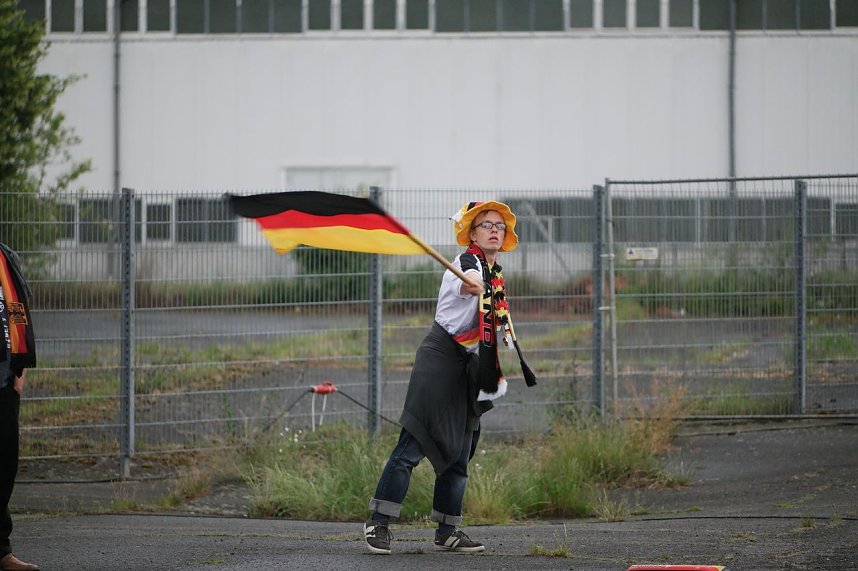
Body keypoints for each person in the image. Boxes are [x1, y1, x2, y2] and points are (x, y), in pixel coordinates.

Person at [363, 201, 521, 555]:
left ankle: (448, 529)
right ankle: (379, 521)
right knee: (414, 441)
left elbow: (490, 319)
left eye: (500, 225)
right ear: (472, 233)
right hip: (440, 359)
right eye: (486, 225)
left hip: (470, 364)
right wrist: (474, 284)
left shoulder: (496, 275)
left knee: (462, 447)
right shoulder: (465, 267)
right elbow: (469, 285)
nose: (495, 229)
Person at [0, 243, 38, 571]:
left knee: (5, 465)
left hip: (4, 381)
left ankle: (0, 551)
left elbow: (18, 309)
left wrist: (21, 365)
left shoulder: (5, 256)